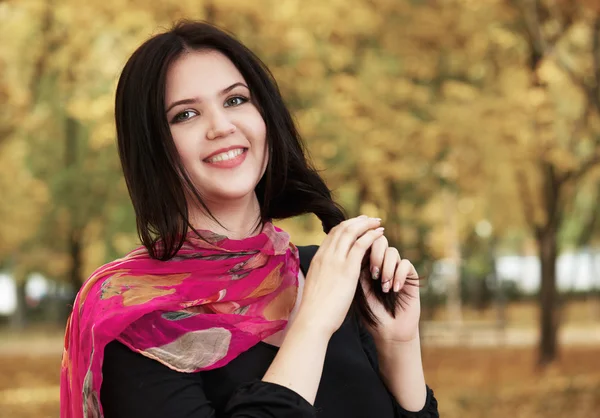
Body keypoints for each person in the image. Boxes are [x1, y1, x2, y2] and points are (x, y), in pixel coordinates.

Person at [60, 20, 439, 418]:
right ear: (152, 148)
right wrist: (312, 322)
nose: (222, 127)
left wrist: (398, 343)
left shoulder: (324, 274)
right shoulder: (133, 318)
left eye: (236, 100)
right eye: (186, 114)